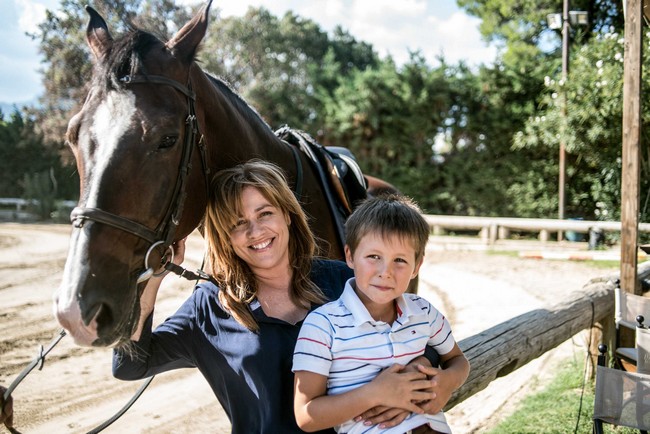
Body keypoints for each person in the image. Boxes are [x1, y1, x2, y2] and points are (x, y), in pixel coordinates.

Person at [112, 160, 441, 433]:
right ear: (224, 237)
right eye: (238, 223)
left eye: (265, 213)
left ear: (287, 214)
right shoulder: (209, 306)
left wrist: (409, 385)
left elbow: (424, 345)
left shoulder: (342, 280)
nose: (255, 232)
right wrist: (154, 277)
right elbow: (129, 365)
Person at [293, 195, 470, 434]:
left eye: (399, 260)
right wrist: (375, 393)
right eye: (374, 257)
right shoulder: (323, 326)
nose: (385, 272)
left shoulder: (423, 312)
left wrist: (447, 382)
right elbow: (306, 416)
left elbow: (458, 360)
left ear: (416, 266)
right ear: (350, 256)